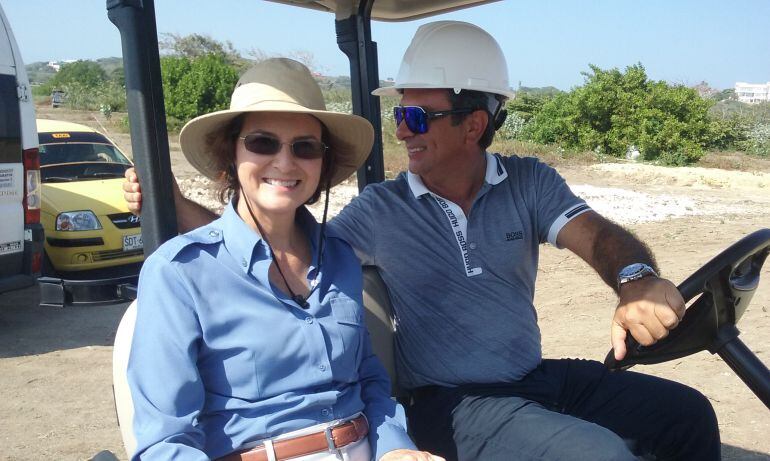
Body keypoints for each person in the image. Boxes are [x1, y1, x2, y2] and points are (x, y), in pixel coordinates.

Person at [125, 23, 720, 460]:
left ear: (474, 124)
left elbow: (599, 239)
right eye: (398, 116)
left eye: (415, 118)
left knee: (687, 414)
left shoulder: (529, 182)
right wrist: (175, 206)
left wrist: (637, 281)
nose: (401, 132)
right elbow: (263, 236)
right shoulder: (378, 211)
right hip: (452, 401)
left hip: (531, 377)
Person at [126, 58, 442, 461]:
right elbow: (164, 444)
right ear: (231, 154)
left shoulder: (341, 259)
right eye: (263, 142)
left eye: (305, 147)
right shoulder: (180, 273)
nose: (285, 162)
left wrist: (397, 448)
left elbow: (369, 383)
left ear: (322, 163)